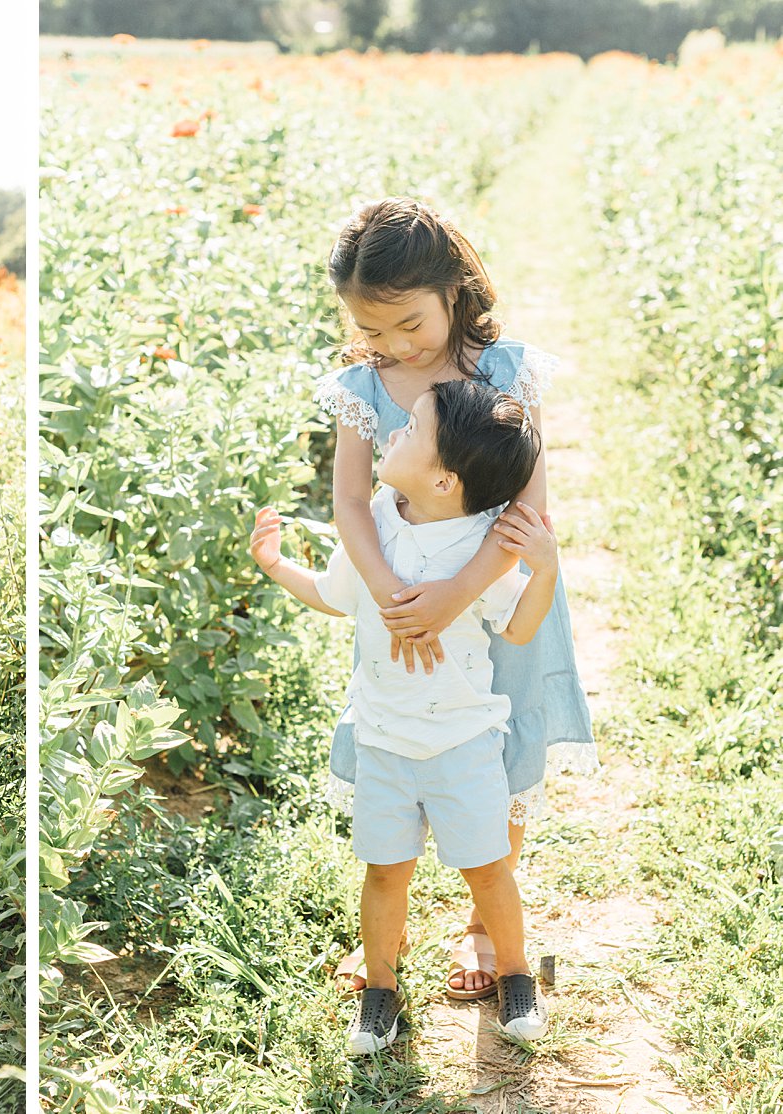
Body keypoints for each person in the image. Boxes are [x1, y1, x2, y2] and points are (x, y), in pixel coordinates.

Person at [314, 197, 596, 999]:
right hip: (403, 601)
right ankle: (386, 929)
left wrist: (455, 595)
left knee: (496, 744)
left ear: (452, 289)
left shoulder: (506, 371)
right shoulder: (365, 384)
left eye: (409, 323)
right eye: (373, 330)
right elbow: (346, 502)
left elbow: (529, 510)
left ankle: (483, 926)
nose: (394, 345)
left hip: (497, 596)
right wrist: (395, 593)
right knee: (400, 738)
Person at [251, 380, 558, 1053]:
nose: (394, 431)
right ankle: (382, 991)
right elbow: (334, 596)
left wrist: (543, 570)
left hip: (462, 742)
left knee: (488, 867)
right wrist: (277, 567)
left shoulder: (481, 548)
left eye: (411, 428)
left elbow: (520, 631)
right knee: (385, 870)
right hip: (384, 739)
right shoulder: (374, 532)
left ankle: (514, 974)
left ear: (446, 481)